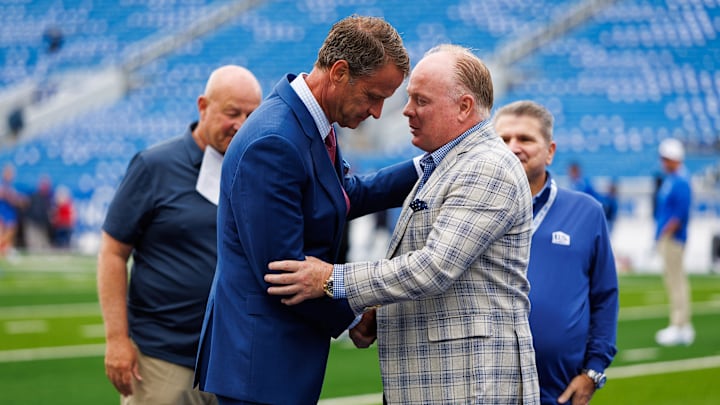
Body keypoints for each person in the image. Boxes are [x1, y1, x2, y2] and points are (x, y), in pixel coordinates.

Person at [265, 44, 539, 404]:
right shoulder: (445, 163)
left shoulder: (485, 167)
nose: (406, 111)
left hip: (470, 384)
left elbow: (433, 268)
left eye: (421, 101)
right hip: (449, 382)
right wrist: (378, 312)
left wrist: (331, 279)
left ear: (464, 107)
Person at [194, 15, 418, 405]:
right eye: (373, 96)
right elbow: (283, 271)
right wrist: (355, 317)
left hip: (272, 359)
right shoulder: (275, 140)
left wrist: (427, 166)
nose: (378, 112)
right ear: (340, 72)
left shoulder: (309, 123)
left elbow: (345, 194)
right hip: (259, 365)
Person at [97, 65, 262, 405]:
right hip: (164, 359)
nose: (242, 124)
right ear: (203, 106)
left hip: (234, 360)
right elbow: (112, 252)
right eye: (232, 112)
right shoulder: (154, 166)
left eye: (251, 114)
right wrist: (116, 338)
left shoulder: (255, 170)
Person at [493, 100, 619, 405]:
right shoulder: (471, 209)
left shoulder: (586, 212)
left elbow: (604, 296)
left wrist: (593, 372)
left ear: (550, 151)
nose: (513, 147)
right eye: (503, 140)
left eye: (525, 139)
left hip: (559, 391)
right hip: (485, 385)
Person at [654, 137, 694, 346]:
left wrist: (665, 234)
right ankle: (679, 323)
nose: (662, 162)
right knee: (673, 281)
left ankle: (681, 325)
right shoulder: (673, 179)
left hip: (673, 239)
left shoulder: (680, 181)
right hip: (669, 237)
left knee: (676, 282)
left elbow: (680, 213)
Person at [24, 175, 54, 251]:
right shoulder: (34, 196)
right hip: (32, 225)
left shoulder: (48, 198)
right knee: (33, 246)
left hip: (42, 226)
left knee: (43, 246)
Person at [51, 184, 75, 249]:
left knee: (66, 242)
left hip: (66, 226)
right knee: (59, 241)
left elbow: (72, 215)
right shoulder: (57, 207)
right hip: (60, 226)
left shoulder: (68, 206)